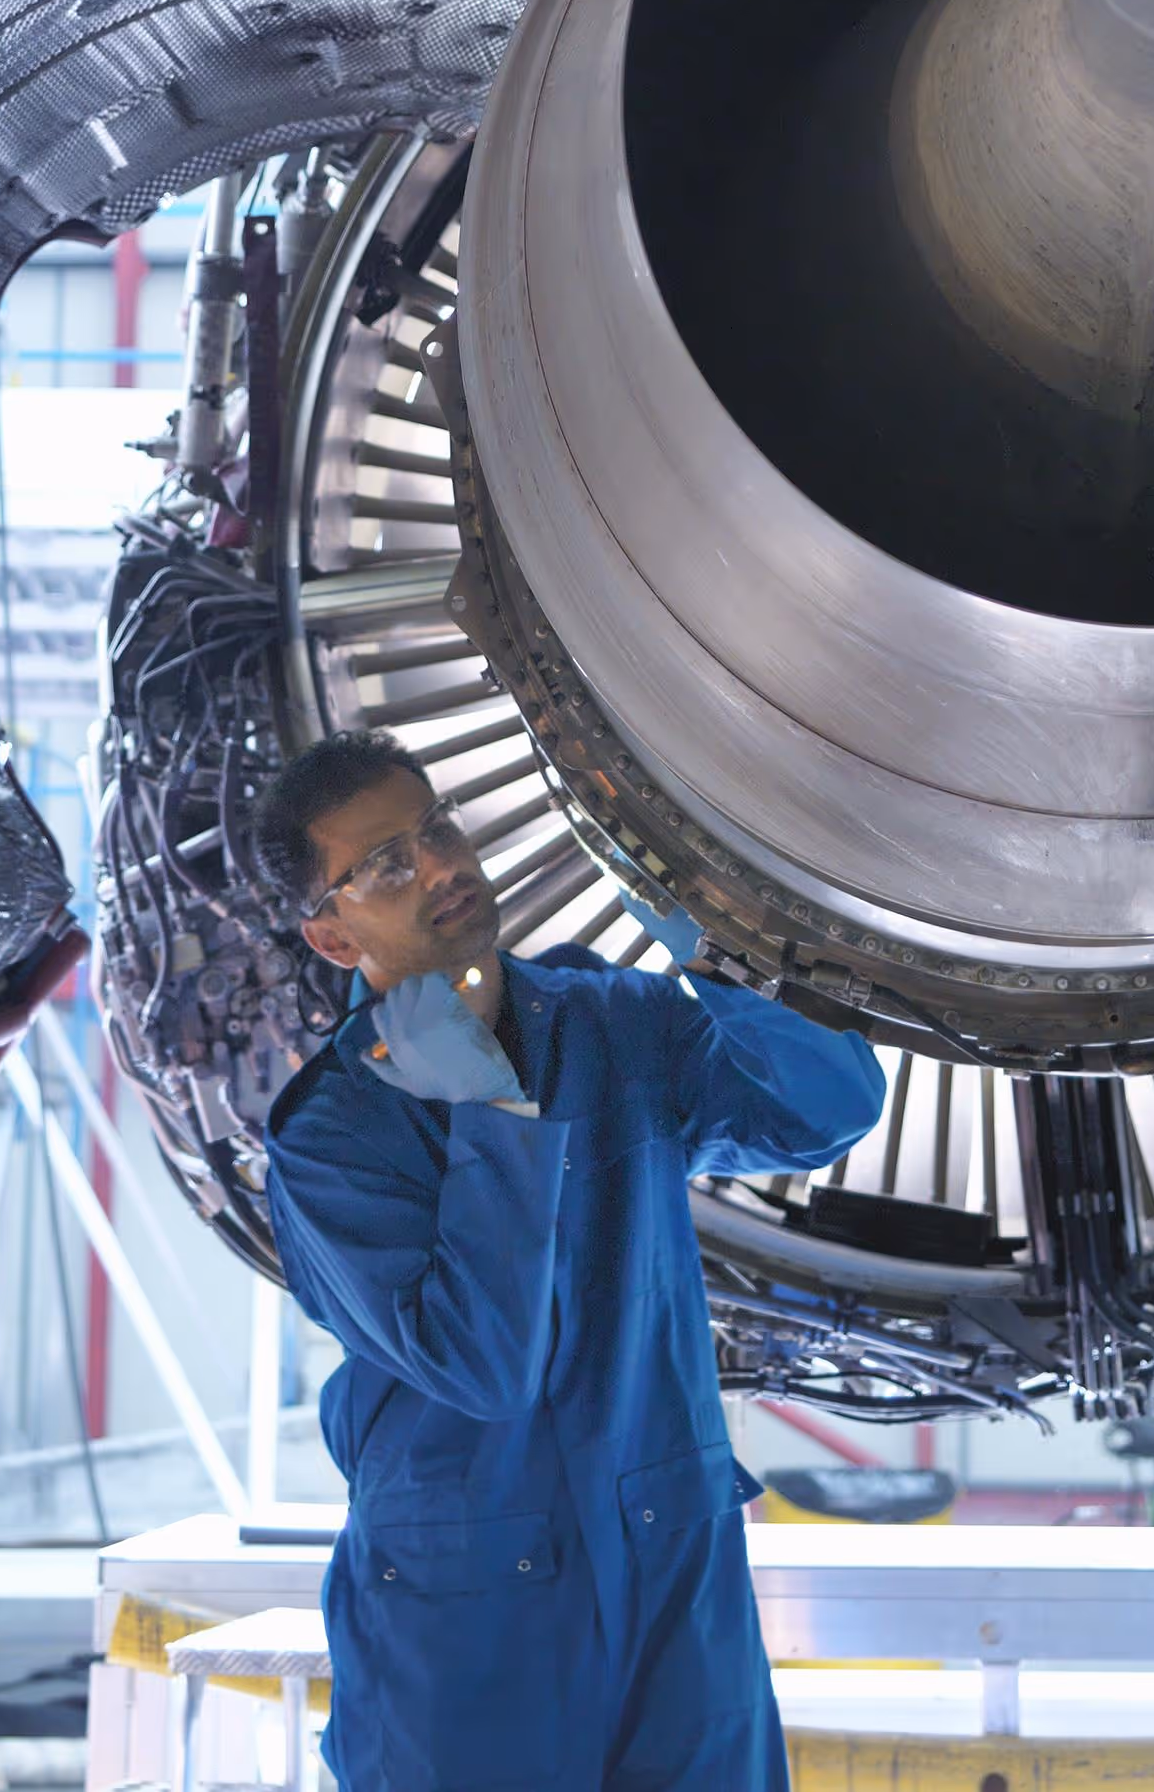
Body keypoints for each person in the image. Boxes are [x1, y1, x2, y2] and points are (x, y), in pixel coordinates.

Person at [252, 728, 889, 1792]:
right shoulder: (331, 1135)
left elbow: (826, 1108)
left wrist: (716, 947)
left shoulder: (613, 1021)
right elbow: (484, 1359)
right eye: (389, 863)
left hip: (675, 1588)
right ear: (329, 934)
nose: (442, 865)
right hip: (472, 1626)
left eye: (437, 827)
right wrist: (475, 1080)